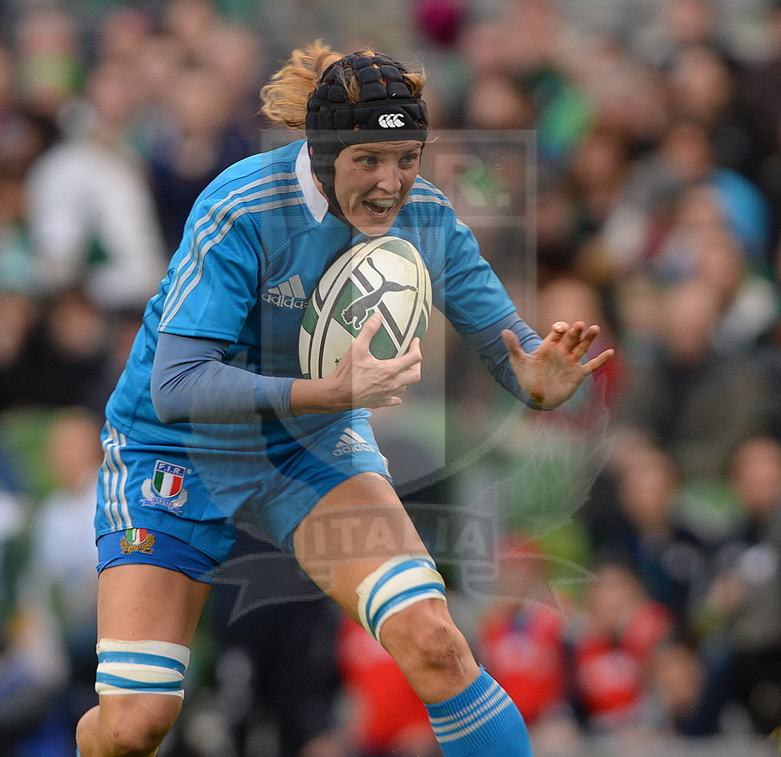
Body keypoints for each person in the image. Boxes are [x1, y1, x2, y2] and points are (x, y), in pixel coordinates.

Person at [75, 41, 614, 757]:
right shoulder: (242, 207)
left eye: (408, 159)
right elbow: (175, 386)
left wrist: (537, 381)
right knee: (133, 725)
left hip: (310, 447)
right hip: (176, 448)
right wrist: (325, 391)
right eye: (369, 161)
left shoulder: (425, 216)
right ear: (322, 153)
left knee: (435, 642)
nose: (392, 184)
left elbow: (511, 349)